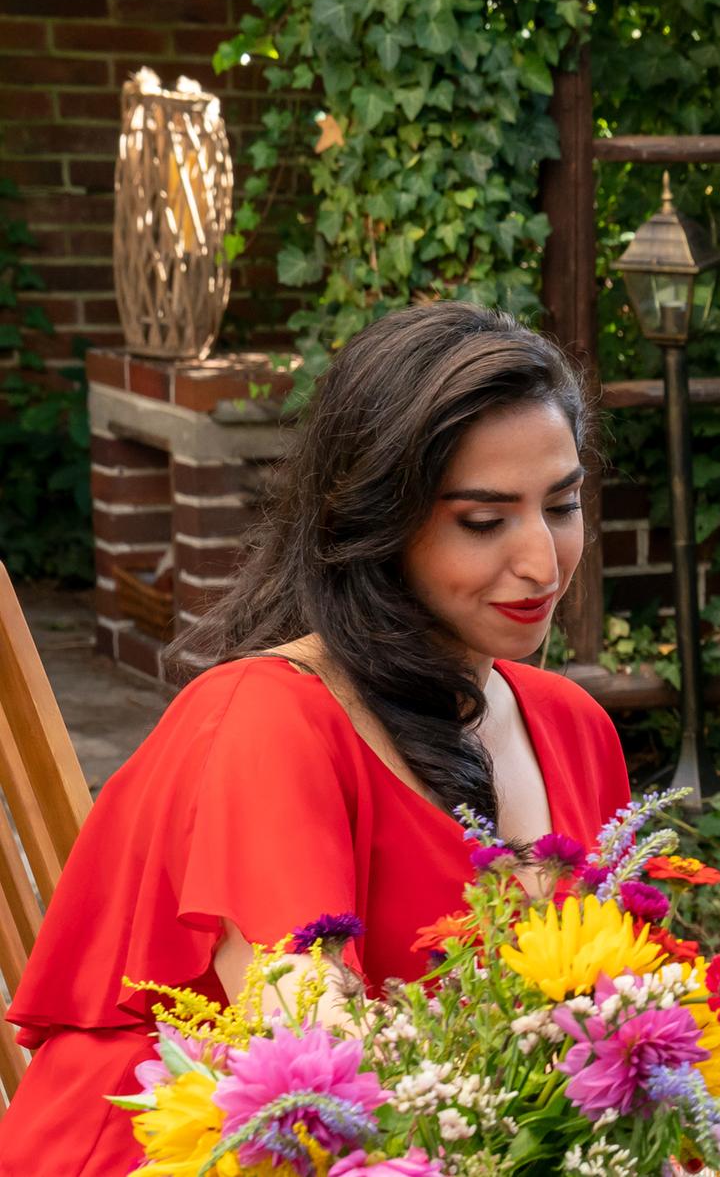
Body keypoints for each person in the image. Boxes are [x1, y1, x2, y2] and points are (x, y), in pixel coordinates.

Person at [0, 303, 633, 1175]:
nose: (542, 561)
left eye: (560, 506)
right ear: (376, 524)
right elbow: (310, 1057)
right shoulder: (270, 719)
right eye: (483, 522)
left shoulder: (575, 729)